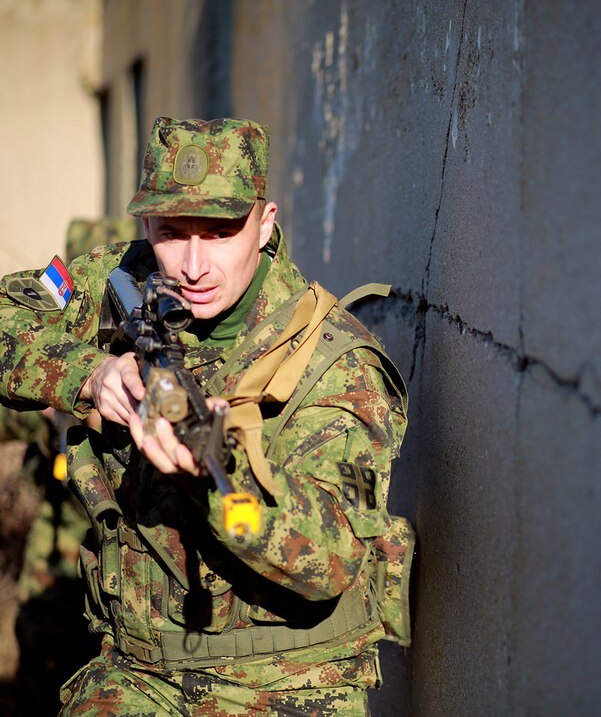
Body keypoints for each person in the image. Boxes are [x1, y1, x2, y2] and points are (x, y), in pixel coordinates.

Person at [0, 117, 413, 714]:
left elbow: (334, 558)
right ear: (146, 226)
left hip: (283, 686)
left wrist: (220, 471)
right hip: (140, 672)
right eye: (172, 232)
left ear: (265, 224)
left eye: (220, 233)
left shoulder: (335, 365)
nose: (193, 266)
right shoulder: (125, 278)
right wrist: (86, 374)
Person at [4, 217, 136, 714]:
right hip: (64, 519)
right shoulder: (67, 307)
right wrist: (55, 386)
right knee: (40, 636)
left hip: (122, 525)